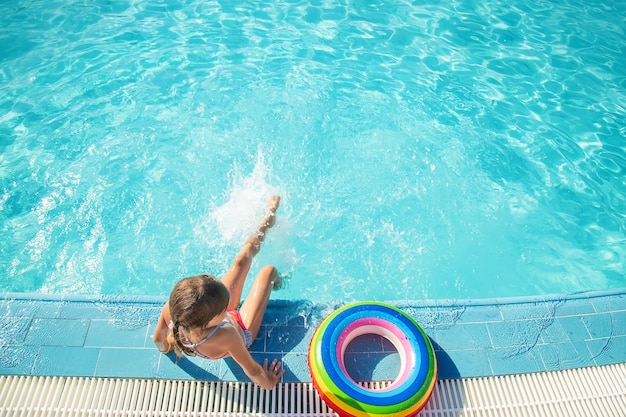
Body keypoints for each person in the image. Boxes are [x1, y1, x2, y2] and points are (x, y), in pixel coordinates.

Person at [152, 195, 285, 389]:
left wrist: (167, 349)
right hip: (241, 328)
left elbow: (158, 339)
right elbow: (253, 371)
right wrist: (270, 383)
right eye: (225, 307)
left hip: (206, 320)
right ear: (214, 318)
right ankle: (280, 283)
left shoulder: (173, 310)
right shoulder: (227, 335)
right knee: (269, 271)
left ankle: (267, 220)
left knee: (241, 260)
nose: (228, 304)